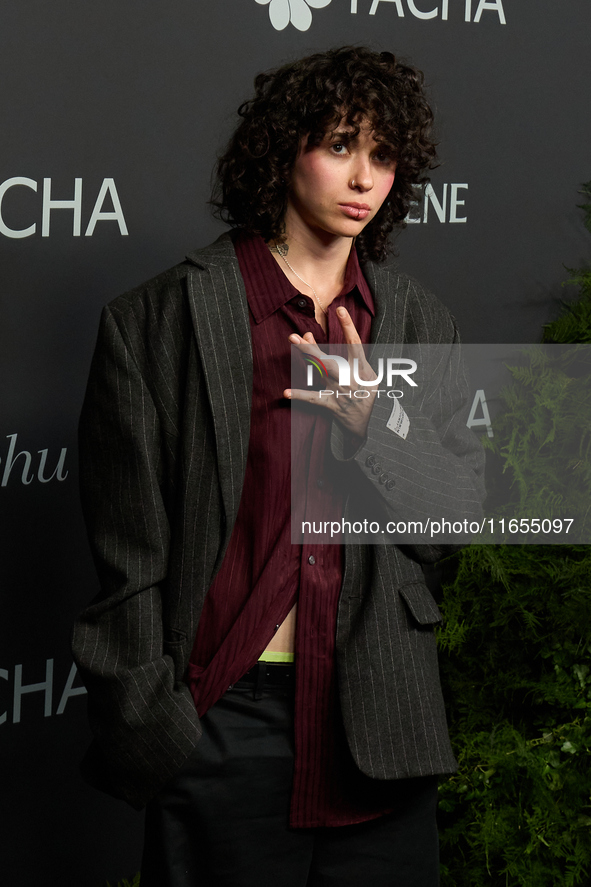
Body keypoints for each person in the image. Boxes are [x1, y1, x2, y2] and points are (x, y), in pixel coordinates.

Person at [72, 46, 485, 887]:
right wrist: (160, 722)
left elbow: (451, 529)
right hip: (221, 719)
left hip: (377, 723)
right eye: (339, 143)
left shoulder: (416, 321)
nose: (363, 176)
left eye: (382, 154)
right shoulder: (158, 321)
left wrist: (377, 426)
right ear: (282, 149)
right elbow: (129, 561)